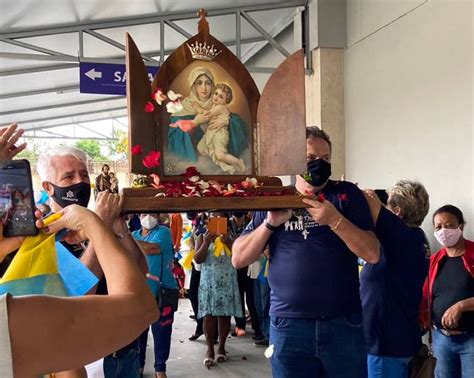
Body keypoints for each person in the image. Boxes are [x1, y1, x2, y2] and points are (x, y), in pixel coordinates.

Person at [232, 127, 380, 378]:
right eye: (311, 159)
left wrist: (335, 220)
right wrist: (270, 224)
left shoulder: (346, 195)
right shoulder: (276, 198)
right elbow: (238, 258)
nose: (319, 164)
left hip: (342, 323)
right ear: (293, 160)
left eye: (325, 159)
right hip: (289, 325)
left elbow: (373, 253)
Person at [0, 204, 158, 377]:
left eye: (83, 175)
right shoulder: (11, 322)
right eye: (68, 176)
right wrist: (93, 224)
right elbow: (140, 309)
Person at [36, 147, 148, 377]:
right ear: (48, 187)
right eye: (68, 177)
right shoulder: (41, 235)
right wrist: (101, 226)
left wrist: (119, 229)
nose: (80, 182)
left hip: (123, 349)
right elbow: (79, 296)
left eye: (84, 175)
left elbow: (140, 272)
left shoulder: (94, 221)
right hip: (83, 357)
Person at [361, 181, 430, 377]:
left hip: (386, 345)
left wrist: (344, 190)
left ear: (397, 212)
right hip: (399, 339)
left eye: (388, 206)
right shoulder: (416, 237)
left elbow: (369, 201)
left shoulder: (399, 236)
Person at [420, 205, 474, 378]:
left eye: (449, 225)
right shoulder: (435, 261)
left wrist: (461, 306)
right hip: (442, 339)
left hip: (471, 339)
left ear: (461, 226)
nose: (443, 231)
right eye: (438, 227)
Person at [167, 67, 247, 166]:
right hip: (196, 161)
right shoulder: (186, 105)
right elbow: (174, 132)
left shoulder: (217, 105)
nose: (204, 88)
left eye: (208, 83)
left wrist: (226, 122)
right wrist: (193, 123)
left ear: (212, 85)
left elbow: (236, 121)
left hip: (214, 154)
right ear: (193, 85)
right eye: (199, 83)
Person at [194, 212, 242, 368]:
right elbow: (198, 259)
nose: (215, 221)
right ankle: (209, 350)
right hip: (209, 282)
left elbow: (239, 257)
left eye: (219, 218)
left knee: (224, 315)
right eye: (212, 218)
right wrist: (207, 242)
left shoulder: (232, 238)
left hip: (227, 281)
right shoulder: (202, 237)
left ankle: (221, 347)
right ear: (208, 221)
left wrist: (228, 242)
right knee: (208, 316)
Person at [133, 213, 177, 378]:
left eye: (153, 214)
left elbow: (152, 249)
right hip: (140, 294)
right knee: (138, 334)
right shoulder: (134, 235)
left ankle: (160, 369)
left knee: (162, 333)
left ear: (159, 216)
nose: (149, 217)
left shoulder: (163, 232)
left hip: (163, 292)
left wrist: (125, 240)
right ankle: (139, 367)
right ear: (139, 215)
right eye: (145, 213)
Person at [195, 83, 246, 174]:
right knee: (201, 148)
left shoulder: (221, 107)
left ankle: (238, 162)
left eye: (221, 97)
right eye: (216, 93)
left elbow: (207, 114)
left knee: (220, 155)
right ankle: (226, 163)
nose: (217, 97)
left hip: (219, 135)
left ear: (225, 101)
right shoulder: (215, 105)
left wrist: (197, 107)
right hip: (212, 132)